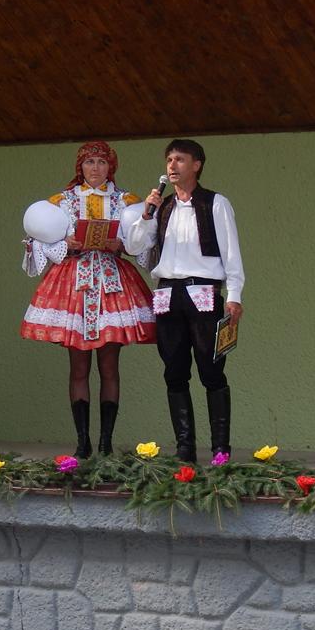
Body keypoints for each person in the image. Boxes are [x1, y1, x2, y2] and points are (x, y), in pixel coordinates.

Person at [20, 141, 157, 457]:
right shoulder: (61, 201)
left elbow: (142, 240)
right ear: (80, 167)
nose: (95, 168)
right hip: (74, 285)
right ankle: (83, 442)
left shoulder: (127, 201)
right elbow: (36, 239)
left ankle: (106, 442)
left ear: (111, 167)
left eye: (102, 162)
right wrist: (65, 243)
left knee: (110, 367)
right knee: (78, 368)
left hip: (112, 284)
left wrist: (120, 245)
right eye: (89, 162)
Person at [127, 139, 244, 463]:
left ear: (196, 165)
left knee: (211, 370)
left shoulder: (215, 203)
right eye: (169, 160)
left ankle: (220, 449)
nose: (172, 165)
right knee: (174, 371)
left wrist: (234, 295)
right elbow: (135, 246)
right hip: (167, 294)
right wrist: (146, 214)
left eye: (179, 159)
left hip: (203, 291)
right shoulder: (161, 206)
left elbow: (231, 252)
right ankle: (184, 448)